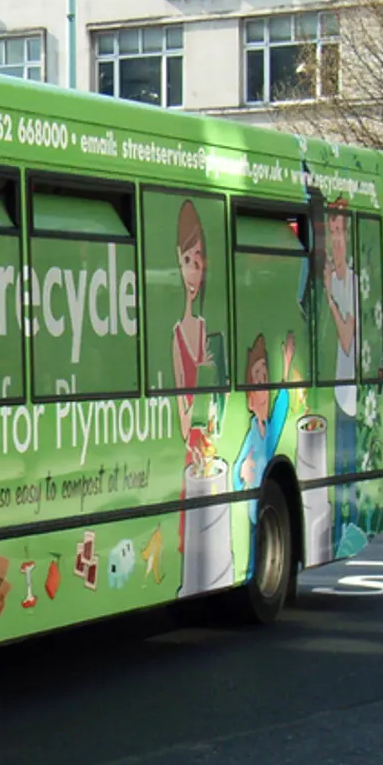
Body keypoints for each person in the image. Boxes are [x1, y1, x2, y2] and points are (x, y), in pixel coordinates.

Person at [233, 331, 295, 570]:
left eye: (265, 379)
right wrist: (242, 473)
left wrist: (287, 367)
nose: (263, 390)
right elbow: (239, 469)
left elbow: (281, 408)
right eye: (257, 383)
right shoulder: (251, 436)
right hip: (248, 511)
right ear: (249, 400)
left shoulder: (268, 428)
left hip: (254, 512)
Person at [173, 200, 214, 553]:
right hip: (193, 444)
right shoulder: (177, 334)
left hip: (207, 439)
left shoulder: (203, 328)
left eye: (198, 263)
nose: (192, 272)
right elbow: (181, 406)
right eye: (188, 260)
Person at [324, 200, 359, 546]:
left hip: (350, 392)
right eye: (331, 231)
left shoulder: (350, 282)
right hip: (335, 389)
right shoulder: (333, 280)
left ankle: (348, 530)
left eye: (340, 232)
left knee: (347, 472)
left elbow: (347, 339)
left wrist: (330, 300)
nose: (336, 239)